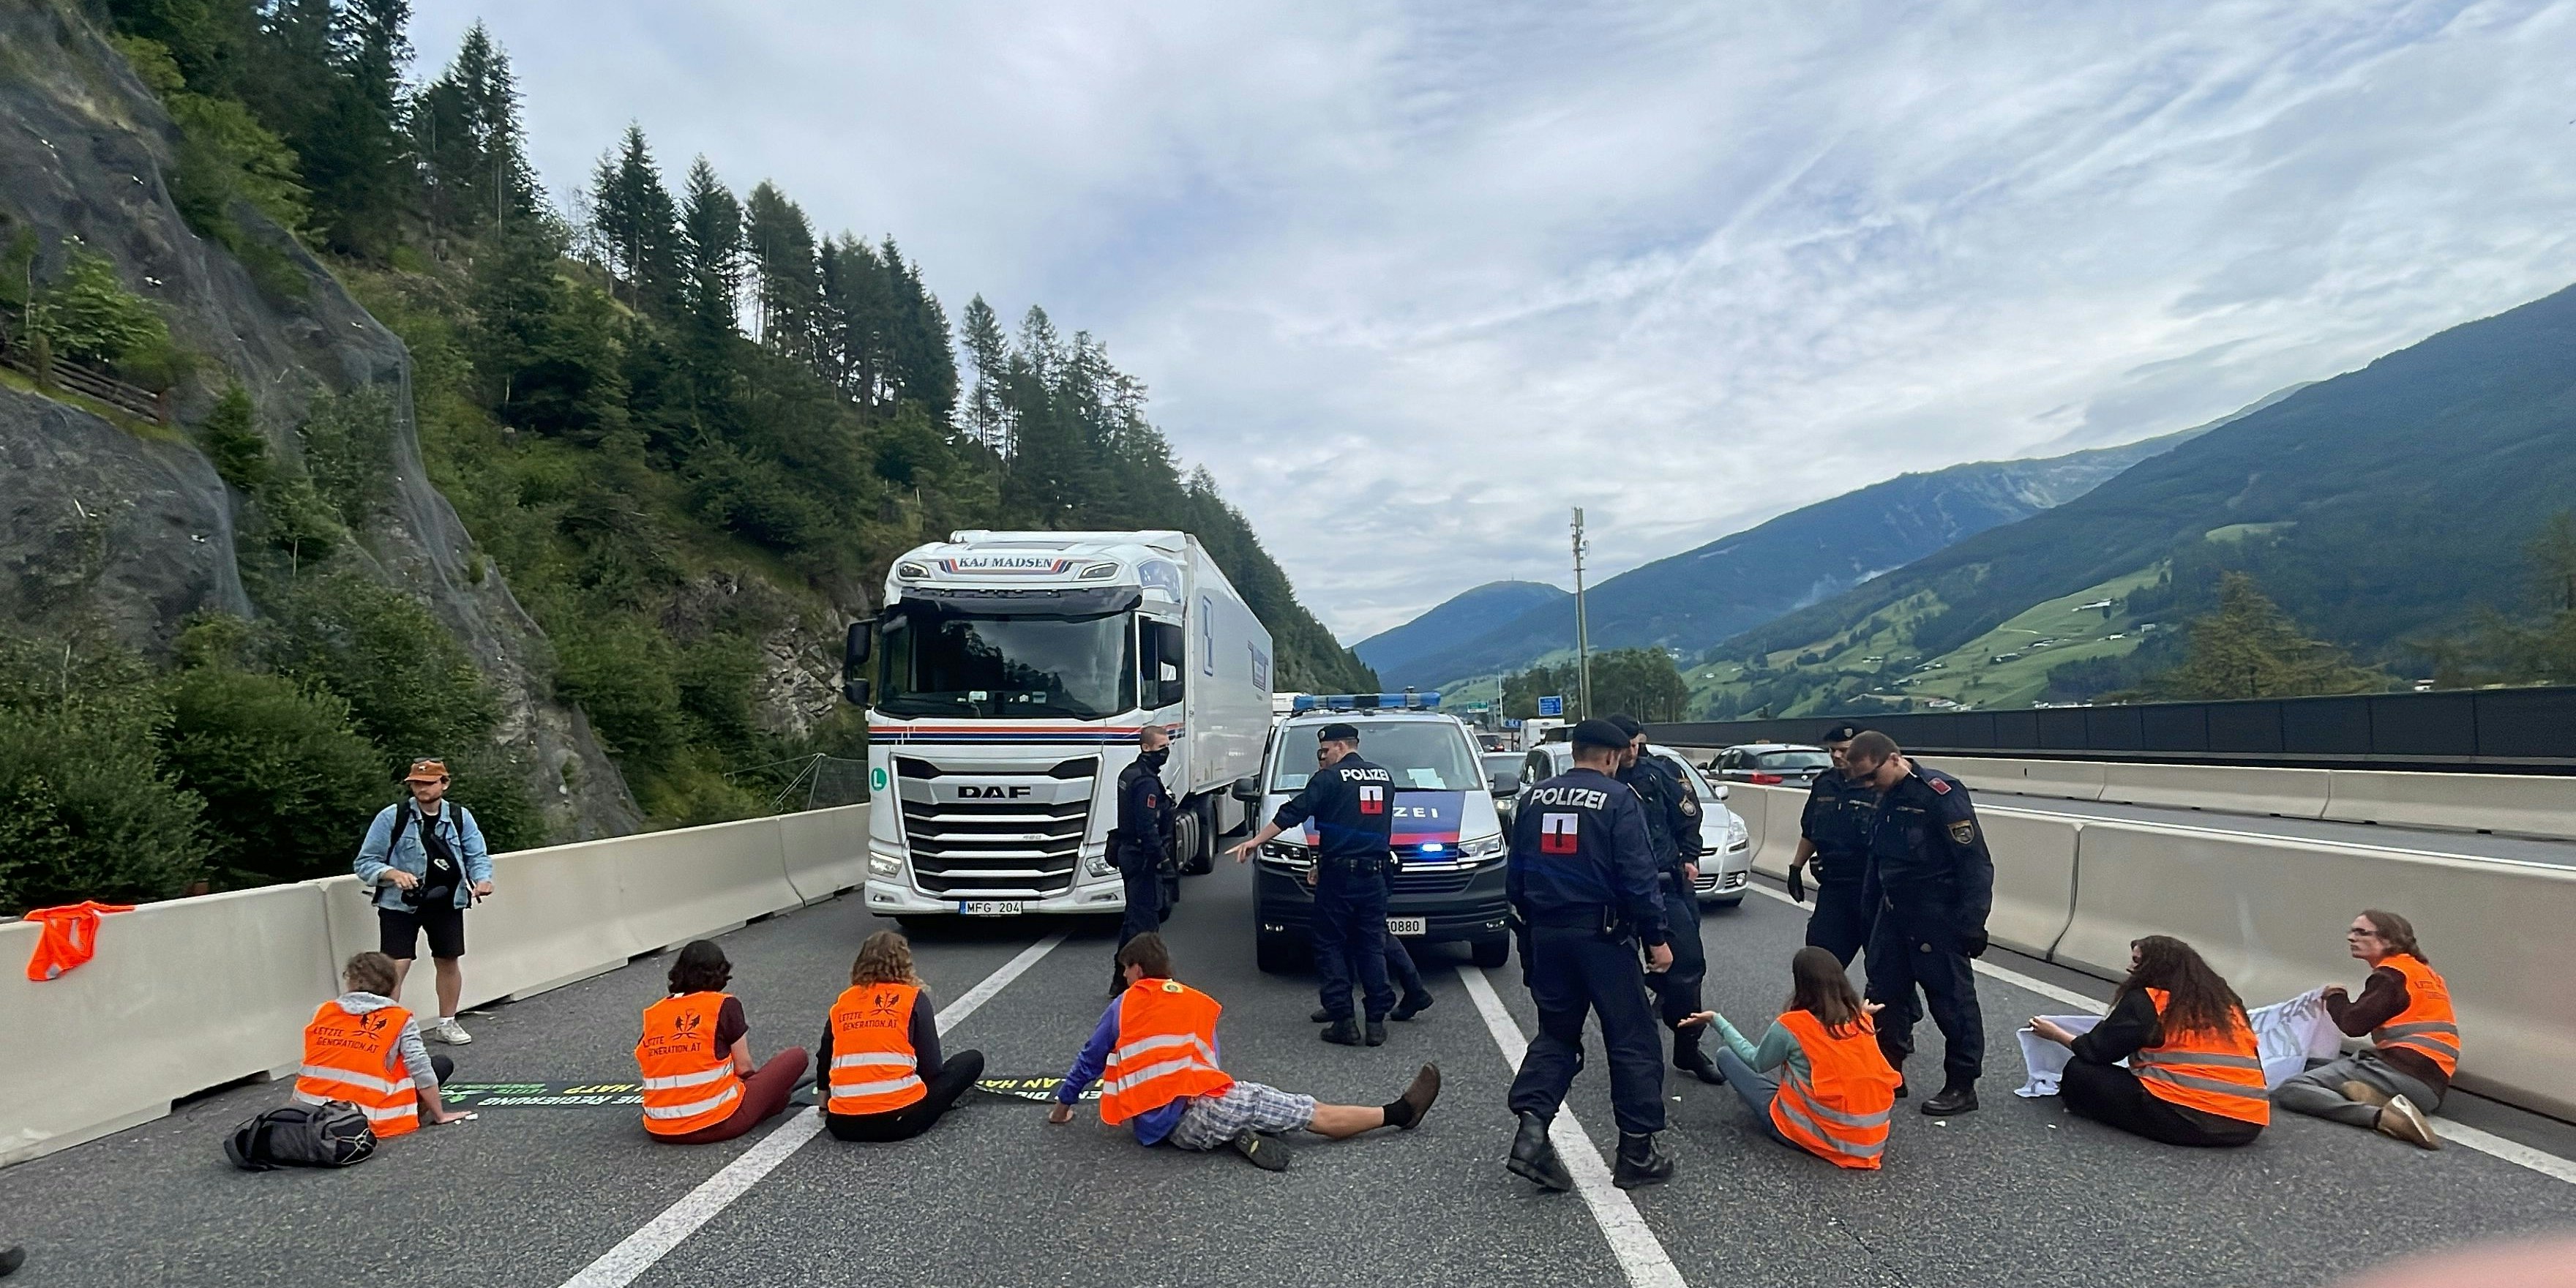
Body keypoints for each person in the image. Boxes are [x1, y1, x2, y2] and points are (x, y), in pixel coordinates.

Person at [1046, 933, 1441, 1171]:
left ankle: (1238, 1133)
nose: (1124, 976)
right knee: (1307, 1110)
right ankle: (1399, 1113)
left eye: (1125, 969)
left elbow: (1090, 1058)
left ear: (1138, 968)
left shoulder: (1124, 1005)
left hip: (1154, 1125)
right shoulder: (1196, 1002)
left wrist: (1062, 1107)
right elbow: (1212, 1065)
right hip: (1193, 1112)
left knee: (1253, 1108)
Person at [1502, 718, 1678, 1192]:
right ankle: (1636, 1153)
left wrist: (1530, 934)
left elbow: (1515, 874)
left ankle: (1531, 1135)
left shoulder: (1533, 799)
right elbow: (1637, 875)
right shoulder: (1619, 799)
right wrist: (1656, 937)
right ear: (1612, 756)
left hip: (1546, 934)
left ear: (1575, 751)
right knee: (1632, 1039)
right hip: (1602, 938)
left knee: (1557, 1035)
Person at [1845, 731, 1993, 1116]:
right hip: (1893, 913)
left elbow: (1974, 863)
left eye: (1871, 776)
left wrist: (1973, 922)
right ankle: (1889, 1071)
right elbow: (1877, 864)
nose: (1867, 785)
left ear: (1895, 759)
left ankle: (1962, 1084)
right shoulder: (1883, 796)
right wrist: (1868, 917)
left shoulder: (1940, 795)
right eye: (1861, 780)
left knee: (1952, 1002)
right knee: (1884, 997)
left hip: (1935, 917)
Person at [1228, 722, 1399, 1046]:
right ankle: (1376, 1022)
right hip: (1376, 875)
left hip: (1340, 878)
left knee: (1330, 944)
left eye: (1325, 751)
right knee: (1371, 945)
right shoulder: (1384, 776)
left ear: (1340, 746)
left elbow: (1293, 813)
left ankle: (1343, 1020)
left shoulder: (1329, 778)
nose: (1323, 757)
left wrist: (1256, 841)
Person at [2027, 935, 2267, 1147]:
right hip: (2247, 1124)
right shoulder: (2228, 1005)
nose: (2130, 968)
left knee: (2079, 1071)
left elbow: (2096, 1051)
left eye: (2137, 961)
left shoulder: (2149, 1001)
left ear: (2157, 967)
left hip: (2190, 1119)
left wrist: (2055, 1034)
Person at [1686, 947, 1900, 1169]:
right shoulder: (1862, 1021)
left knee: (1726, 1056)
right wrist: (1863, 1013)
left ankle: (1788, 1120)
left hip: (1809, 1135)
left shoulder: (1793, 1025)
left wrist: (1717, 1021)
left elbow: (1756, 1062)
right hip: (1870, 1143)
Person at [2271, 910, 2452, 1149]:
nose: (2351, 937)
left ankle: (2382, 1117)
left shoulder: (2391, 976)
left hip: (2396, 1072)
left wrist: (2335, 996)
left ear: (2388, 940)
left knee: (2292, 1089)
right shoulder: (2426, 974)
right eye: (2352, 931)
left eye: (2361, 932)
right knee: (2316, 1067)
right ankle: (2380, 1099)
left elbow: (2353, 1024)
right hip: (2430, 1092)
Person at [1607, 715, 1717, 1085]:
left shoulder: (1660, 773)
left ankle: (1688, 1046)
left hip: (1663, 883)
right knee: (1617, 975)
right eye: (1623, 746)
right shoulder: (1600, 782)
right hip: (1615, 891)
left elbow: (1688, 816)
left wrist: (1690, 856)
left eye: (1635, 744)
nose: (1630, 752)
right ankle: (1634, 1055)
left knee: (1688, 965)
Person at [352, 758, 492, 1045]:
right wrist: (392, 874)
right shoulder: (393, 817)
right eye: (416, 783)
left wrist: (483, 879)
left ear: (444, 784)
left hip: (447, 900)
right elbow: (365, 862)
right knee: (395, 965)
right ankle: (386, 1030)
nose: (422, 789)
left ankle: (447, 1023)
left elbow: (476, 854)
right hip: (401, 903)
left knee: (448, 960)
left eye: (428, 783)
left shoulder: (459, 817)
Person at [634, 940, 810, 1143]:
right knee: (796, 1057)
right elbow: (743, 1067)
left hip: (659, 1128)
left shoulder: (655, 1012)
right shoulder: (723, 1005)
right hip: (717, 1123)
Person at [820, 931, 986, 1142]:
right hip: (900, 1120)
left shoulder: (844, 1001)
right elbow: (932, 1069)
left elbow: (825, 1056)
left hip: (842, 1125)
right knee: (971, 1060)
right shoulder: (912, 998)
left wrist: (824, 1105)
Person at [293, 951, 471, 1136]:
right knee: (440, 1064)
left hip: (309, 1113)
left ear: (350, 981)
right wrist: (440, 1115)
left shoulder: (321, 1011)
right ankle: (416, 1111)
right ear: (392, 983)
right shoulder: (399, 1018)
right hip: (369, 1117)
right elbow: (421, 1069)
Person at [1786, 723, 1877, 965]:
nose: (1836, 755)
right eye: (1832, 750)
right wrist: (1796, 868)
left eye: (1844, 750)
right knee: (1819, 964)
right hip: (1834, 888)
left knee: (1884, 973)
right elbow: (1810, 830)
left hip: (1872, 889)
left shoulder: (1880, 785)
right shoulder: (1824, 783)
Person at [1109, 726, 1179, 994]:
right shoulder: (1146, 782)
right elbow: (1147, 827)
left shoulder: (1129, 773)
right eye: (1161, 747)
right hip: (1143, 859)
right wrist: (1163, 861)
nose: (1166, 752)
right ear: (1146, 748)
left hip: (1128, 853)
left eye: (1167, 746)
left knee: (1133, 921)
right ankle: (1144, 983)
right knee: (1146, 925)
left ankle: (1121, 979)